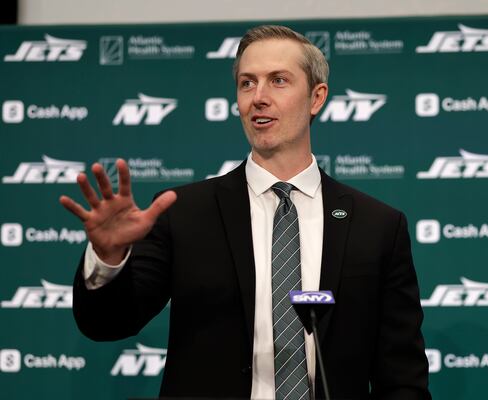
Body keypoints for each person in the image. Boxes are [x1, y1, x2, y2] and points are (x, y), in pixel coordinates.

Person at [60, 25, 431, 399]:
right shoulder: (185, 213)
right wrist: (108, 258)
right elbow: (107, 323)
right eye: (247, 83)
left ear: (316, 97)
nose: (259, 98)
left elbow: (401, 377)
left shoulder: (378, 226)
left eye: (279, 81)